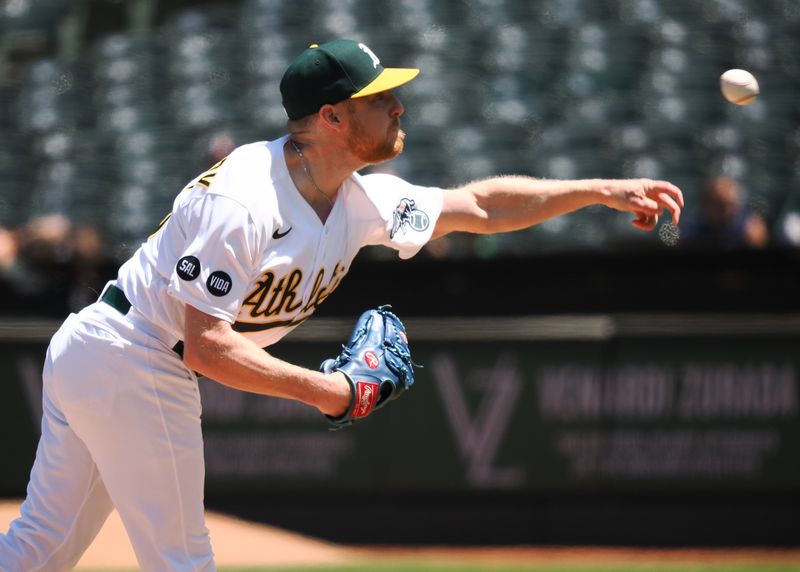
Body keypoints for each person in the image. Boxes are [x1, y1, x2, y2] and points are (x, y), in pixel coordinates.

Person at [0, 39, 683, 570]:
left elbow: (479, 206)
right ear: (332, 117)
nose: (398, 107)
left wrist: (598, 188)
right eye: (380, 98)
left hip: (107, 353)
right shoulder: (244, 199)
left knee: (40, 551)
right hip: (135, 356)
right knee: (182, 561)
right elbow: (207, 346)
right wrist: (331, 391)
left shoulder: (360, 201)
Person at [680, 174, 768, 249]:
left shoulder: (749, 226)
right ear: (706, 204)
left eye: (731, 205)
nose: (728, 211)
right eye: (721, 206)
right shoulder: (693, 228)